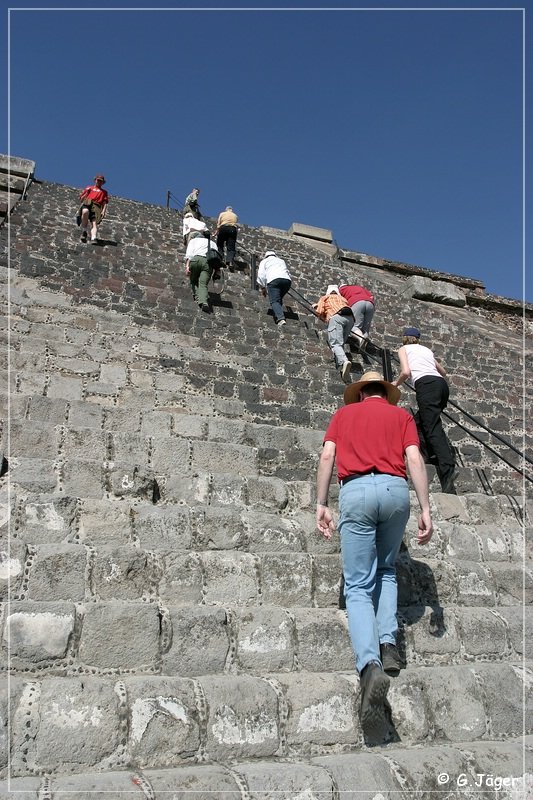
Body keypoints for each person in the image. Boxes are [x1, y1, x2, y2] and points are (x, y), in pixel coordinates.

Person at [316, 370, 433, 739]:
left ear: (360, 393)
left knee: (357, 585)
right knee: (385, 570)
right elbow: (414, 458)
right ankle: (389, 644)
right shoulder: (402, 416)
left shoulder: (343, 414)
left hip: (356, 491)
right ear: (384, 392)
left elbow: (327, 456)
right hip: (396, 490)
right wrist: (426, 507)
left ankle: (369, 667)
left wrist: (320, 503)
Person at [393, 327, 457, 494]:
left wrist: (394, 384)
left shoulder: (404, 348)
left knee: (433, 427)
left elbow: (406, 372)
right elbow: (442, 372)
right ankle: (429, 455)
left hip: (426, 386)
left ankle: (447, 469)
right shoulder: (426, 350)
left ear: (404, 338)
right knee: (419, 423)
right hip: (441, 386)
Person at [313, 285, 353, 383]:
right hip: (351, 319)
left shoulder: (325, 297)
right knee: (341, 342)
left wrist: (315, 307)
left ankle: (344, 361)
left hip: (337, 318)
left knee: (335, 343)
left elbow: (320, 311)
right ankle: (341, 365)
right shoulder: (343, 299)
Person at [184, 232, 220, 312]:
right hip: (208, 264)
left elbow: (189, 255)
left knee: (193, 281)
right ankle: (204, 302)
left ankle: (197, 297)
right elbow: (216, 257)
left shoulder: (193, 241)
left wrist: (187, 266)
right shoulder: (212, 243)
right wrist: (217, 270)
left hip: (196, 260)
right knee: (203, 284)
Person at [256, 250, 292, 327]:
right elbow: (287, 272)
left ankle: (280, 318)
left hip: (273, 280)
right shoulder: (281, 261)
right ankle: (278, 314)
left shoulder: (264, 261)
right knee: (278, 299)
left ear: (266, 256)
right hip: (287, 280)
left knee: (274, 300)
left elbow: (261, 275)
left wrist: (263, 287)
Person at [339, 281, 375, 349]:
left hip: (356, 302)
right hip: (370, 303)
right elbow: (371, 296)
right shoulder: (359, 288)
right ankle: (364, 345)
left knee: (353, 326)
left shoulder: (342, 289)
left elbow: (339, 301)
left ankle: (361, 339)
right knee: (365, 329)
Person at [78, 174, 108, 244]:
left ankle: (93, 238)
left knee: (94, 223)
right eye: (98, 180)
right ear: (95, 180)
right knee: (85, 212)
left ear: (103, 182)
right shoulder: (89, 188)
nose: (99, 182)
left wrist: (103, 211)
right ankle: (84, 231)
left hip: (97, 206)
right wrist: (86, 194)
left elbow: (105, 203)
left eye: (101, 181)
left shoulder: (104, 192)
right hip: (88, 202)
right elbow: (81, 199)